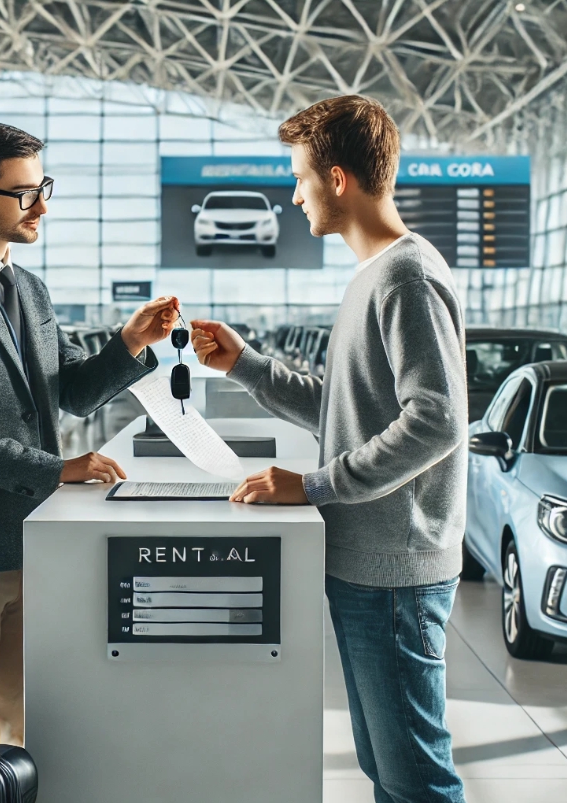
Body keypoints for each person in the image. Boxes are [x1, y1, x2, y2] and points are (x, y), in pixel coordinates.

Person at [191, 96, 468, 803]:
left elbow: (436, 421)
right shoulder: (372, 276)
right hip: (368, 567)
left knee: (417, 782)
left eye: (299, 176)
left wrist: (312, 485)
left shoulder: (406, 275)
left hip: (395, 574)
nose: (293, 193)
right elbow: (345, 405)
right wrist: (246, 365)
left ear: (338, 179)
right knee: (389, 773)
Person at [0, 122, 179, 746]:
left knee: (28, 715)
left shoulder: (30, 290)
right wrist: (59, 469)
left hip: (34, 534)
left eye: (43, 186)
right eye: (25, 192)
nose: (42, 205)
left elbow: (68, 390)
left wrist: (130, 343)